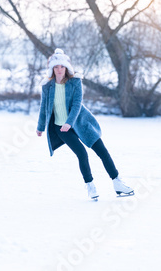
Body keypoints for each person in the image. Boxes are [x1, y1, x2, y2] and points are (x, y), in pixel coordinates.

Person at [36, 48, 133, 200]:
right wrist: (40, 127)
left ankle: (117, 182)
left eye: (62, 66)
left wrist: (70, 122)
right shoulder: (47, 87)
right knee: (82, 154)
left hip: (80, 123)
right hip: (61, 128)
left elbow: (76, 105)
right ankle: (90, 186)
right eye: (56, 67)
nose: (59, 70)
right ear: (52, 69)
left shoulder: (75, 82)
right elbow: (44, 108)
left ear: (67, 67)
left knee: (102, 151)